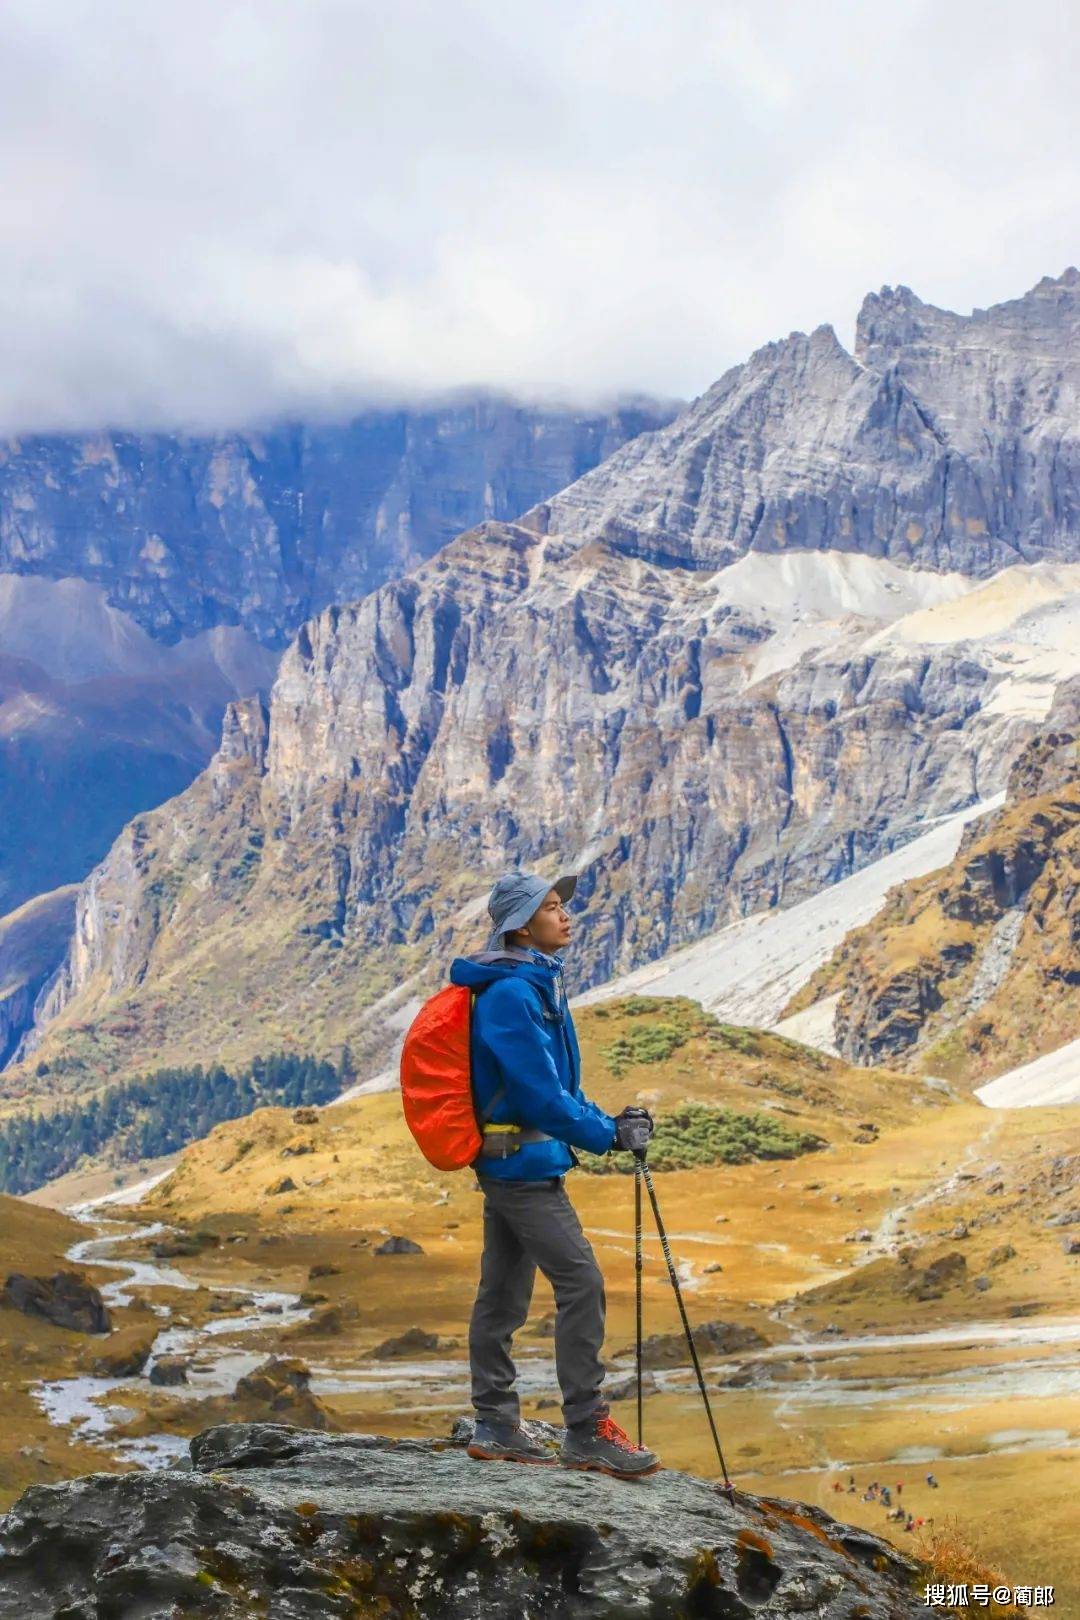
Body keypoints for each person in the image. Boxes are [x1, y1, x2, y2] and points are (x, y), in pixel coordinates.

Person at [449, 869, 660, 1480]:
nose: (565, 914)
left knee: (504, 1292)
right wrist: (604, 1136)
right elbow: (541, 1098)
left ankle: (496, 1423)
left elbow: (559, 1089)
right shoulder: (514, 995)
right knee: (582, 1281)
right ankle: (587, 1427)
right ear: (521, 924)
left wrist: (609, 1123)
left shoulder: (534, 982)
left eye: (562, 904)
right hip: (520, 1168)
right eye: (550, 907)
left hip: (519, 1160)